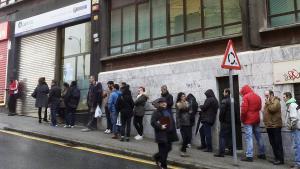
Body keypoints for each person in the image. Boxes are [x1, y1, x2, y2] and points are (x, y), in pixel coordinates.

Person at [240, 85, 265, 162]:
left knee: (249, 137)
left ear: (244, 91)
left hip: (248, 120)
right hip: (256, 119)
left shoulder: (245, 97)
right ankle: (262, 153)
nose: (241, 95)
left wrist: (242, 119)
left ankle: (249, 155)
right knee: (259, 136)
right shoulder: (257, 96)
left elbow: (244, 110)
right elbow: (260, 107)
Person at [151, 97, 178, 169]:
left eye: (165, 102)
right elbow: (153, 122)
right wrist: (160, 126)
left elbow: (171, 121)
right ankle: (163, 165)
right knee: (163, 151)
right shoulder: (156, 112)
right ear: (159, 104)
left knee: (168, 148)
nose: (164, 103)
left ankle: (157, 157)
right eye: (162, 102)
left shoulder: (168, 111)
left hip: (169, 134)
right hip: (162, 134)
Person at [263, 90, 284, 165]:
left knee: (277, 143)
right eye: (265, 95)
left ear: (271, 94)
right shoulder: (268, 102)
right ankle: (276, 158)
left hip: (275, 125)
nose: (266, 97)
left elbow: (273, 109)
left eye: (267, 95)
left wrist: (268, 103)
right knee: (272, 143)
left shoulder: (276, 101)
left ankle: (280, 159)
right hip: (269, 126)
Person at [283, 92, 300, 169]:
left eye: (284, 97)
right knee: (297, 145)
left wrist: (290, 126)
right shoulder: (292, 104)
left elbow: (294, 118)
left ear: (288, 97)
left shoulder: (292, 105)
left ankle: (298, 163)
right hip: (296, 128)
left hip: (295, 128)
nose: (283, 98)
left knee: (297, 146)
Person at [214, 88, 232, 157]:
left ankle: (221, 152)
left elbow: (222, 112)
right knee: (230, 136)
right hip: (231, 122)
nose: (223, 93)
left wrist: (221, 119)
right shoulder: (232, 100)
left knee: (222, 136)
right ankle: (231, 151)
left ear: (227, 93)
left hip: (225, 122)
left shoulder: (224, 101)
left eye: (224, 92)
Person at [176, 92, 193, 157]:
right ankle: (183, 151)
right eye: (183, 96)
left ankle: (183, 149)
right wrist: (178, 124)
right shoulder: (178, 104)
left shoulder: (188, 103)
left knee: (188, 137)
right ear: (180, 97)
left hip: (188, 121)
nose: (184, 97)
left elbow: (191, 110)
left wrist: (190, 111)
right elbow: (177, 115)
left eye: (184, 96)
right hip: (182, 122)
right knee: (185, 138)